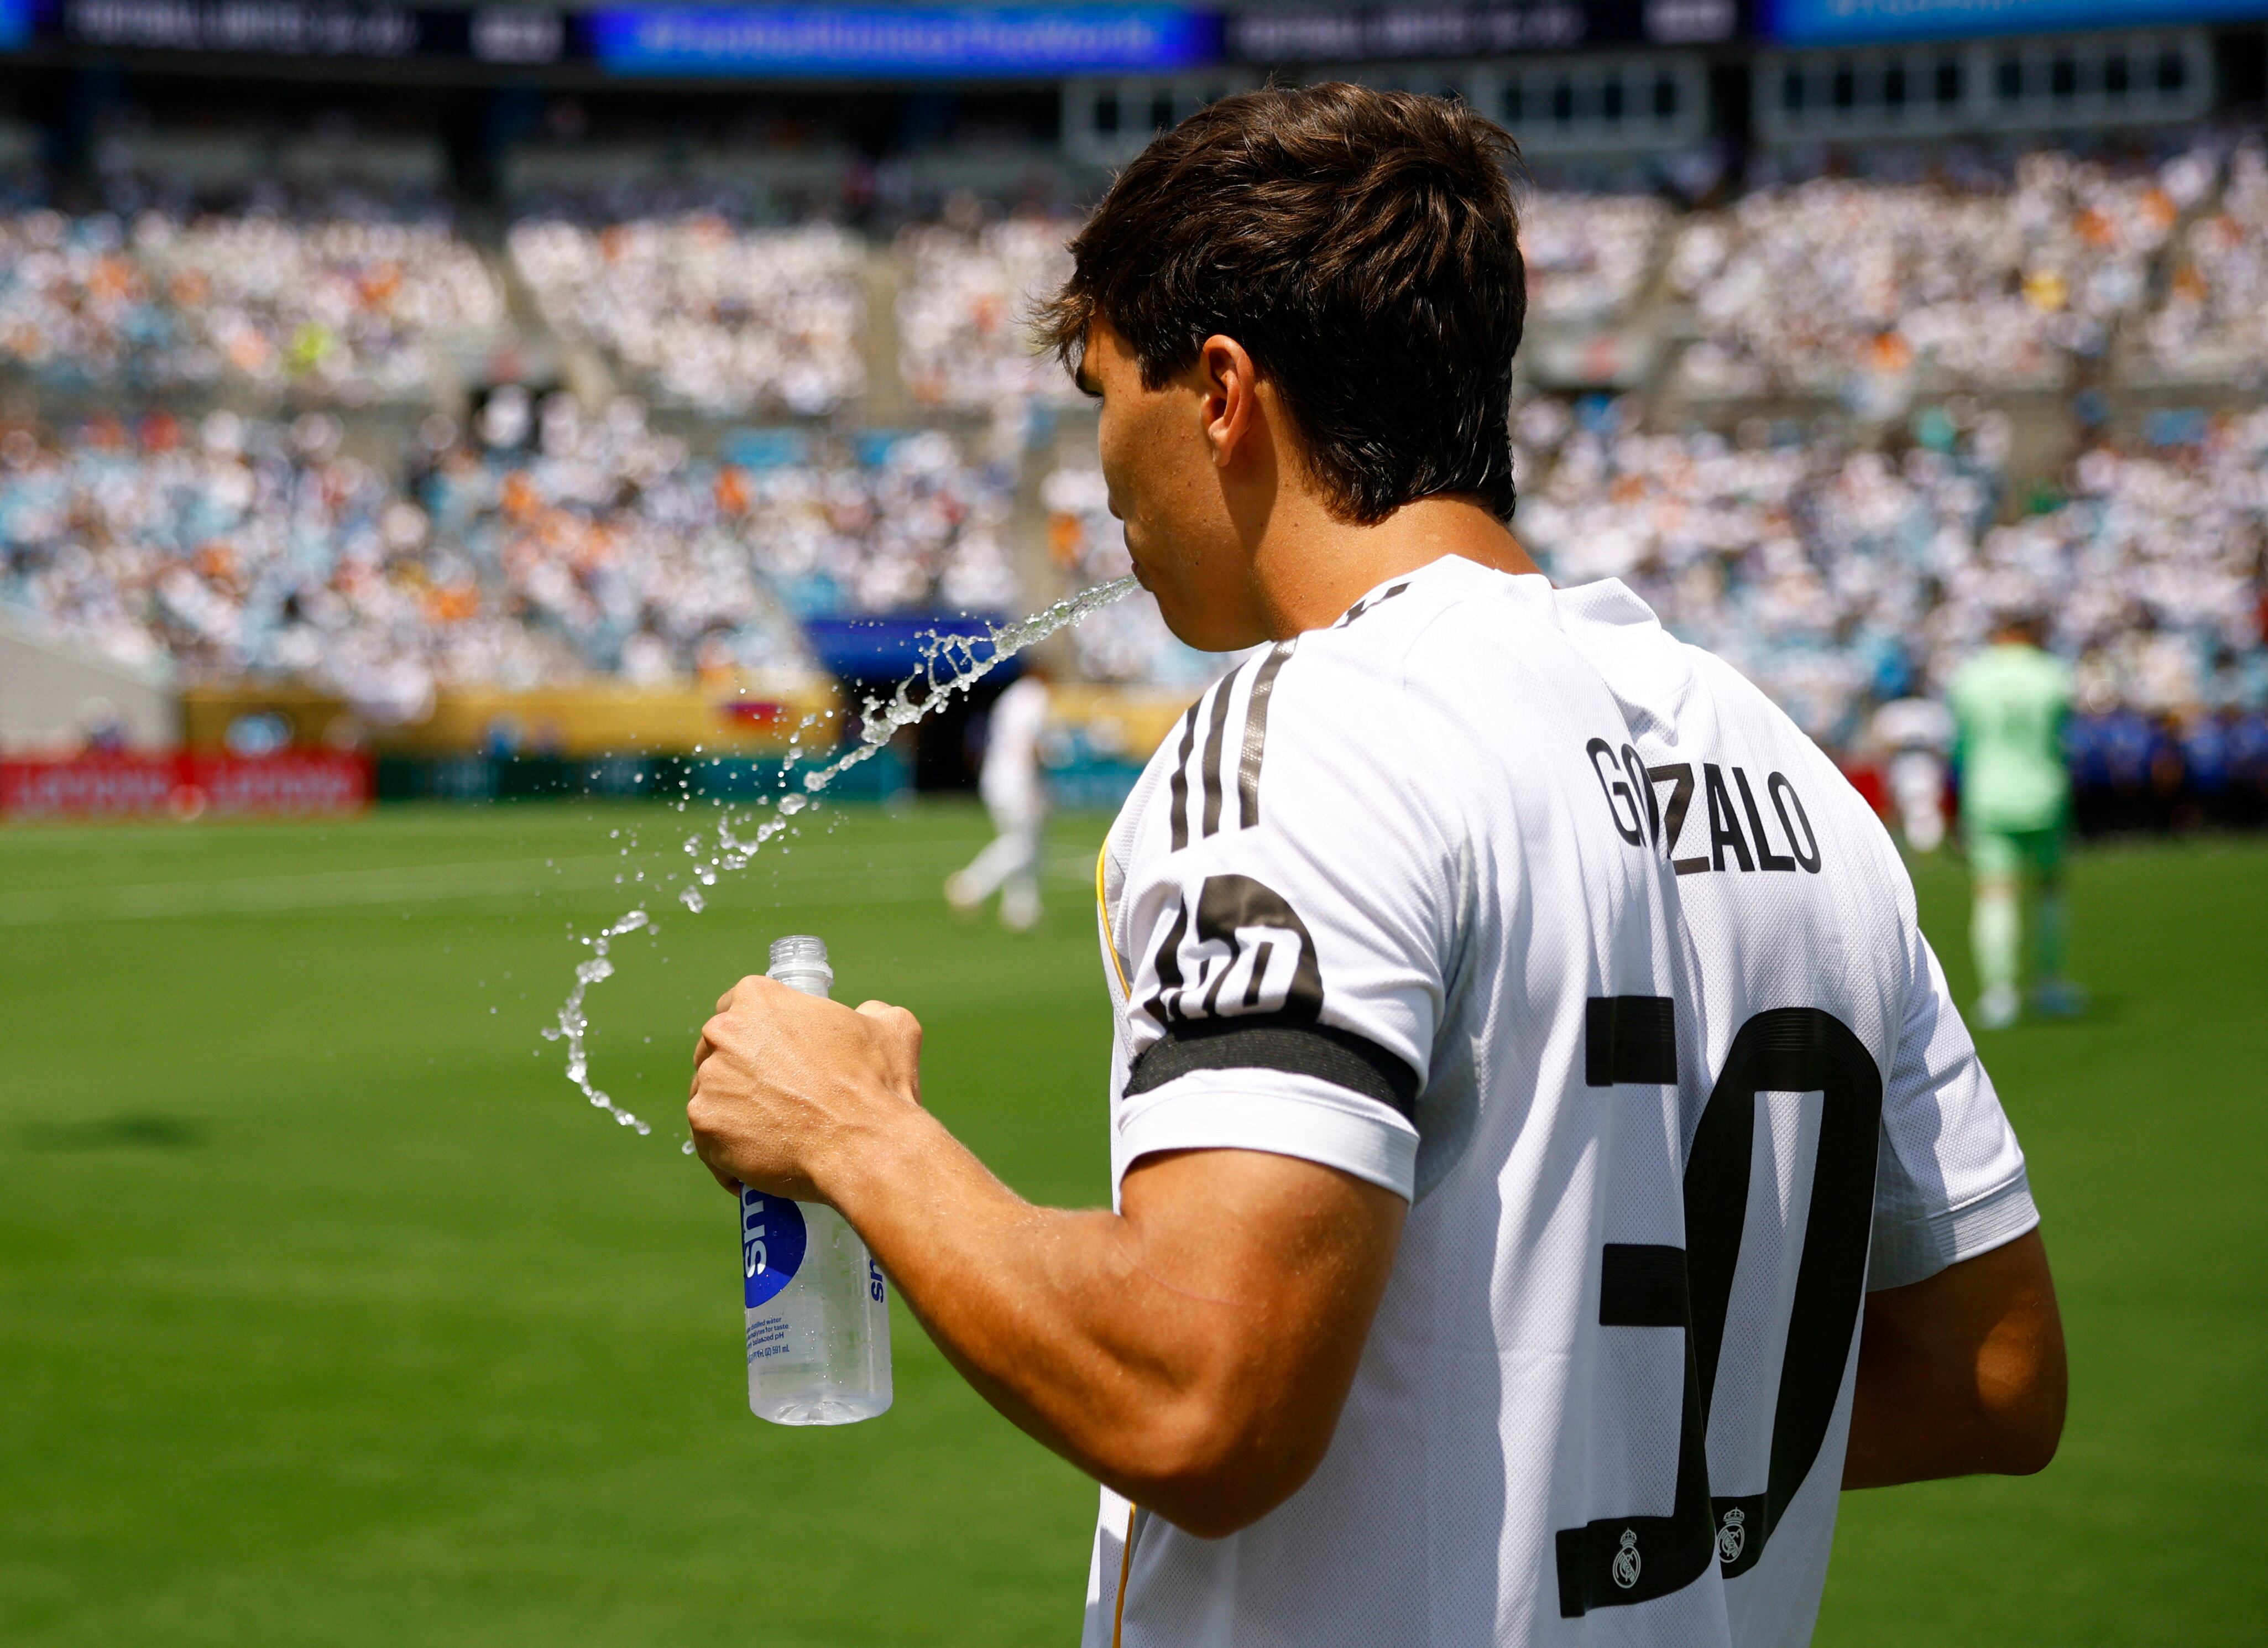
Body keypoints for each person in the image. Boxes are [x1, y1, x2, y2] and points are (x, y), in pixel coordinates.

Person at [688, 86, 2063, 1648]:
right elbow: (1992, 1371)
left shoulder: (1312, 729)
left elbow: (1200, 1395)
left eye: (1101, 394)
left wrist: (857, 1132)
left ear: (1220, 392)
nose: (1099, 469)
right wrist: (1588, 1436)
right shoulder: (1790, 771)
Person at [1948, 614, 2082, 1028]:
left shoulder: (1971, 676)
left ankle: (2000, 993)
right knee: (2049, 891)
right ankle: (2049, 985)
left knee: (1994, 894)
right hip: (2044, 794)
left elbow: (1963, 744)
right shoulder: (2053, 674)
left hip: (1989, 796)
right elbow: (2061, 737)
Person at [945, 662, 1052, 931]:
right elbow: (1028, 743)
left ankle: (1021, 910)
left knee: (1026, 841)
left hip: (996, 777)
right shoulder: (1035, 696)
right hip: (1018, 780)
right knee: (1022, 846)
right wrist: (1038, 778)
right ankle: (971, 884)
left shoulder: (1011, 696)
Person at [1870, 694, 1955, 852]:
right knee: (1904, 804)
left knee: (1927, 803)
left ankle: (1930, 844)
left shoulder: (1934, 710)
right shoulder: (1892, 710)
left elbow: (1946, 747)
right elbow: (1879, 744)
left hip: (1927, 766)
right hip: (1901, 766)